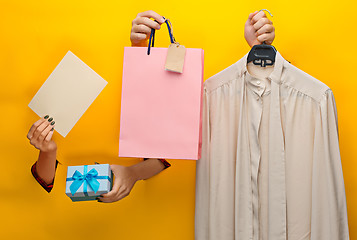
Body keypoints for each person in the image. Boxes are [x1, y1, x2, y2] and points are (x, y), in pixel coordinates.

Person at [27, 10, 275, 203]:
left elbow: (174, 149)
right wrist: (47, 151)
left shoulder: (196, 87)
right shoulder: (61, 83)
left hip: (162, 210)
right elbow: (51, 184)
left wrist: (259, 53)